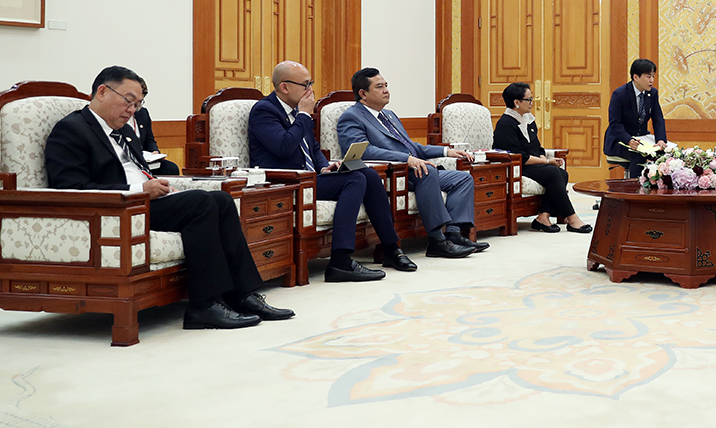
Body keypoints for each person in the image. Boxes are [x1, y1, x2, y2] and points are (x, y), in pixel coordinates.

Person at [45, 66, 293, 330]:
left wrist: (157, 186)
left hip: (146, 203)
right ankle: (203, 306)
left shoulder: (126, 132)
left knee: (220, 200)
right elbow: (70, 188)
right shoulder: (71, 130)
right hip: (116, 212)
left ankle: (242, 295)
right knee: (202, 202)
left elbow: (141, 170)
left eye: (138, 104)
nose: (132, 110)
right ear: (103, 92)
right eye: (128, 101)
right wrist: (139, 191)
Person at [248, 61, 415, 283]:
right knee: (354, 180)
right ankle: (340, 261)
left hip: (311, 177)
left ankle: (391, 249)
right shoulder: (264, 110)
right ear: (284, 87)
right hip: (286, 182)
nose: (310, 90)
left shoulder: (299, 111)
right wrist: (304, 116)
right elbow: (283, 146)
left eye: (311, 83)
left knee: (369, 175)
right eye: (305, 84)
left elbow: (313, 148)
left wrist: (325, 165)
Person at [335, 67, 483, 257]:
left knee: (462, 178)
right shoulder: (352, 117)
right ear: (363, 94)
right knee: (426, 172)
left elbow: (412, 146)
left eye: (386, 85)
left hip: (413, 169)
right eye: (379, 87)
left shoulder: (389, 115)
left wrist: (448, 151)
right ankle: (437, 240)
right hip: (392, 174)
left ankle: (453, 234)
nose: (386, 90)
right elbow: (362, 151)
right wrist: (406, 159)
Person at [493, 82, 593, 234]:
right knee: (553, 172)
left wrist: (544, 158)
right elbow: (520, 156)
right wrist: (546, 161)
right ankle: (572, 218)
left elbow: (537, 148)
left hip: (531, 164)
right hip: (516, 166)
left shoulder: (528, 120)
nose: (532, 103)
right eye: (529, 100)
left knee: (561, 173)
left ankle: (543, 216)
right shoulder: (505, 124)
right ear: (517, 102)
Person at [603, 59, 667, 178]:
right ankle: (634, 191)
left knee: (664, 154)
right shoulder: (620, 94)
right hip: (620, 140)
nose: (652, 80)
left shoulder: (652, 93)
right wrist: (628, 140)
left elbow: (658, 118)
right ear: (636, 77)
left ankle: (657, 189)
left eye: (653, 76)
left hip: (641, 139)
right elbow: (615, 123)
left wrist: (661, 140)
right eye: (648, 76)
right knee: (639, 156)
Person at [129, 78, 179, 176]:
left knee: (171, 168)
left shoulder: (142, 113)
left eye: (140, 101)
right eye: (134, 102)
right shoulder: (118, 115)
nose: (137, 106)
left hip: (146, 160)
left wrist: (154, 151)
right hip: (130, 160)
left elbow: (149, 139)